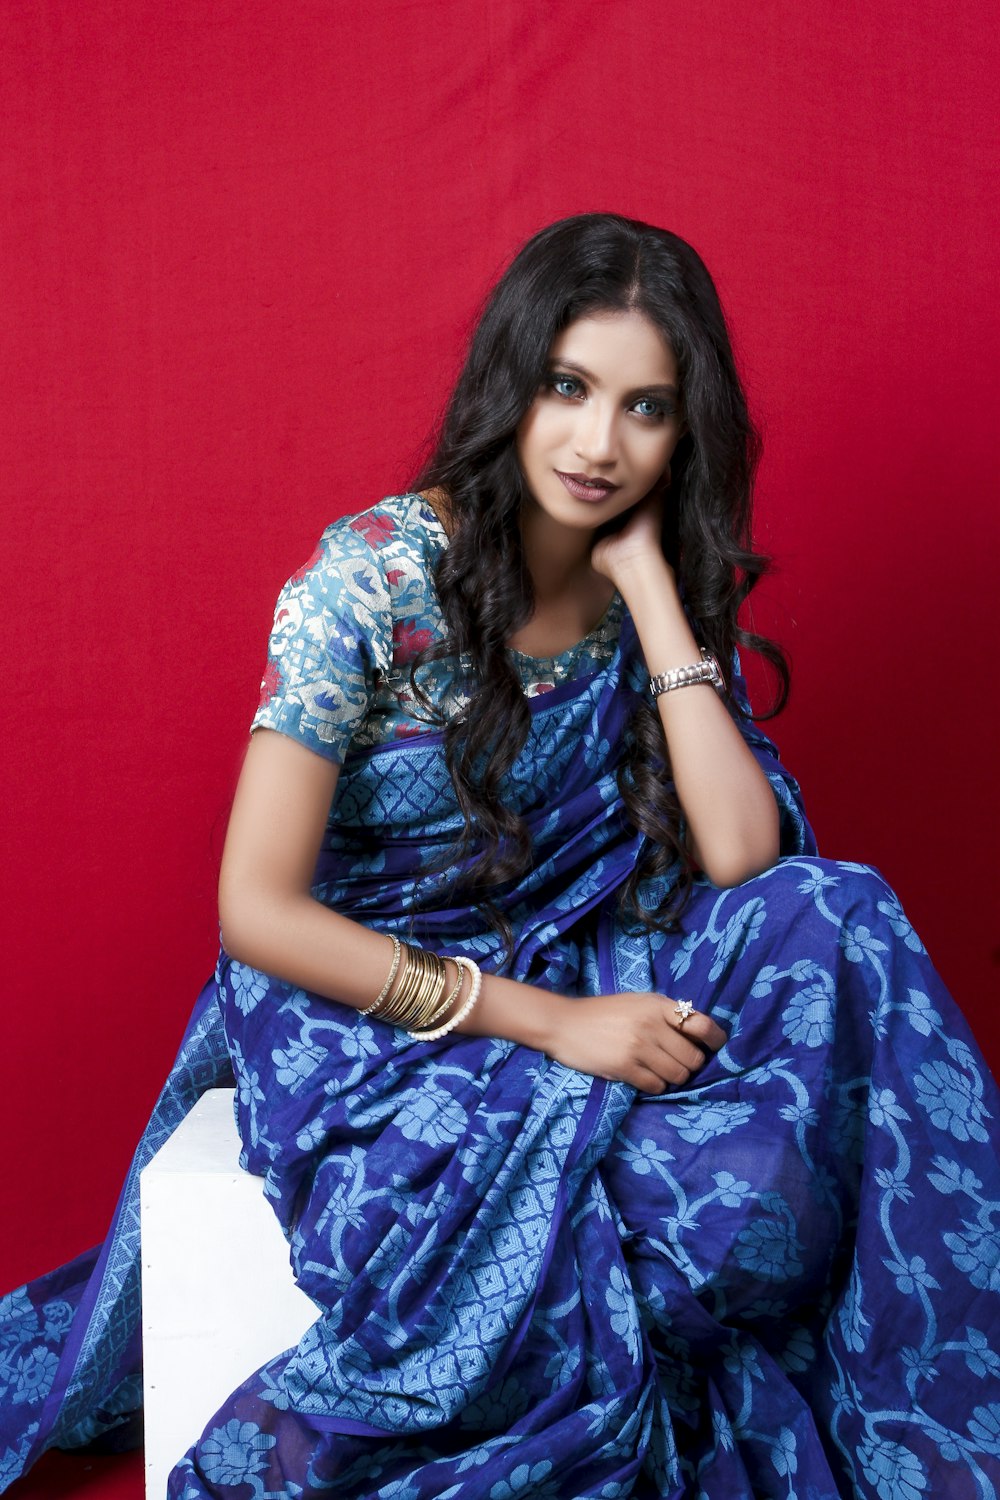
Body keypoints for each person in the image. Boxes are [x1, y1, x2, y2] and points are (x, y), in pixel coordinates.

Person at [2, 213, 998, 1499]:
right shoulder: (368, 581)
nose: (598, 444)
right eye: (568, 388)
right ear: (510, 380)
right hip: (376, 1001)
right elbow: (255, 908)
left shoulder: (649, 568)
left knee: (842, 913)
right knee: (689, 1195)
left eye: (647, 408)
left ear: (685, 431)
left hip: (597, 944)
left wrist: (651, 598)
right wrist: (546, 1026)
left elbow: (748, 860)